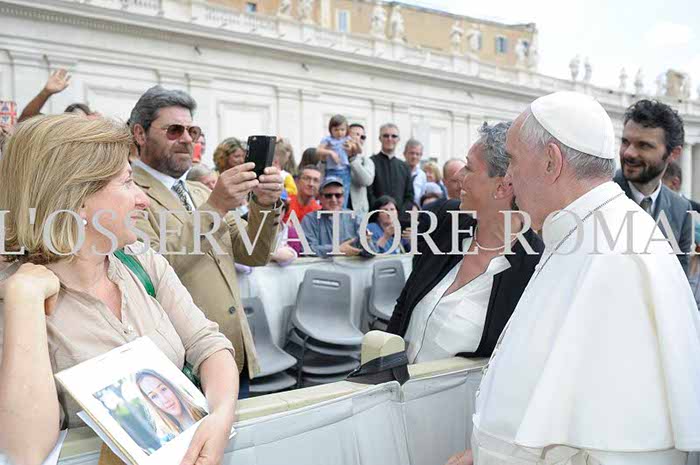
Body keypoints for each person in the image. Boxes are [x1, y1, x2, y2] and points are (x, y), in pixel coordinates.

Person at [453, 91, 700, 465]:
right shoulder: (576, 230)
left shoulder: (619, 256)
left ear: (551, 162)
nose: (509, 178)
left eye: (513, 160)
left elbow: (614, 442)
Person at [0, 115, 239, 465]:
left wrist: (221, 414)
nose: (143, 199)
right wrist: (23, 302)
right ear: (78, 201)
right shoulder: (17, 298)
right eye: (127, 182)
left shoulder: (141, 260)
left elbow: (208, 344)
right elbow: (24, 450)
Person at [128, 85, 283, 399]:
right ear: (140, 134)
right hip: (182, 365)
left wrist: (264, 204)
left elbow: (253, 253)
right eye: (174, 130)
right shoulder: (129, 193)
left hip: (233, 354)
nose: (187, 139)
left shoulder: (200, 192)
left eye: (193, 131)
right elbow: (148, 272)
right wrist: (215, 208)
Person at [388, 122, 543, 364]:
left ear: (503, 187)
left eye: (469, 168)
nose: (458, 176)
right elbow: (405, 302)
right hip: (395, 382)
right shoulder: (445, 220)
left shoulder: (534, 267)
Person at [614, 99, 692, 274]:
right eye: (625, 142)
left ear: (673, 154)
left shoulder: (682, 210)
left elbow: (680, 281)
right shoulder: (598, 194)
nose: (628, 153)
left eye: (644, 145)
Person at [301, 176, 365, 258]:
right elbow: (306, 249)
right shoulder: (310, 220)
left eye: (338, 195)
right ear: (320, 198)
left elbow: (372, 251)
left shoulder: (354, 218)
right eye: (328, 196)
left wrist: (367, 243)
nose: (333, 199)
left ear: (343, 197)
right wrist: (336, 250)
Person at [135, 369, 207, 440]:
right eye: (153, 396)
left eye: (163, 389)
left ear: (171, 387)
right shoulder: (167, 439)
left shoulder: (206, 409)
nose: (164, 399)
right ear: (151, 403)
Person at [368, 123, 414, 213]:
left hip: (400, 218)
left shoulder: (404, 167)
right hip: (376, 216)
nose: (390, 139)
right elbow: (369, 193)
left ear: (398, 139)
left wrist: (399, 214)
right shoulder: (370, 162)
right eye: (386, 136)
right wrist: (380, 213)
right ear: (380, 138)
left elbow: (409, 196)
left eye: (394, 136)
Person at [18, 69, 95, 122]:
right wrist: (45, 92)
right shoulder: (57, 135)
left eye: (83, 121)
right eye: (75, 120)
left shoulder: (96, 136)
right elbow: (26, 121)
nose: (79, 125)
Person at [317, 114, 357, 208]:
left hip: (344, 170)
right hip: (331, 170)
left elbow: (355, 149)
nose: (339, 133)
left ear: (346, 130)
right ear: (331, 130)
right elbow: (319, 150)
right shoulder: (328, 139)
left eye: (342, 130)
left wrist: (351, 146)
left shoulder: (347, 139)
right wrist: (330, 152)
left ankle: (342, 213)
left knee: (343, 194)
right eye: (336, 130)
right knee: (330, 192)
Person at [348, 123, 375, 216]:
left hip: (358, 212)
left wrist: (353, 160)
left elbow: (367, 181)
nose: (359, 139)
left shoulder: (366, 161)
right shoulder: (335, 157)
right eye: (356, 134)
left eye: (363, 137)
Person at [403, 138, 427, 205]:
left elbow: (422, 196)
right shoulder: (398, 171)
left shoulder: (422, 175)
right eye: (412, 153)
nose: (414, 157)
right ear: (404, 154)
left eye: (417, 154)